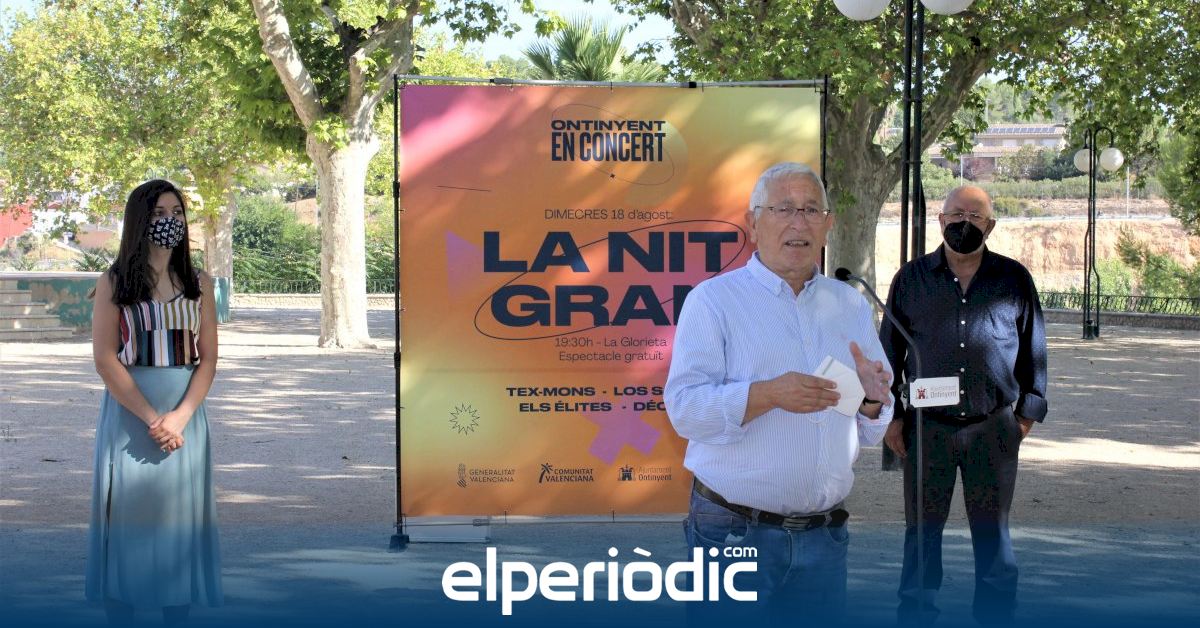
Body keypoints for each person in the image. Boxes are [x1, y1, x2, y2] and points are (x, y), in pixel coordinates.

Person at [664, 162, 895, 621]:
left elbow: (869, 429)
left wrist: (872, 400)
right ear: (753, 224)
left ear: (828, 225)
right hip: (734, 532)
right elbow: (685, 410)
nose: (798, 222)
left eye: (811, 210)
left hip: (824, 536)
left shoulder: (849, 304)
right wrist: (768, 394)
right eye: (783, 208)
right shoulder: (713, 301)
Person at [879, 185, 1047, 624]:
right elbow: (888, 352)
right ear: (941, 220)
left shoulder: (1013, 279)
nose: (964, 222)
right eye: (956, 214)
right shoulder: (911, 280)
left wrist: (1025, 416)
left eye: (975, 216)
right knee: (921, 534)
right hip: (926, 429)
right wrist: (893, 417)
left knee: (993, 536)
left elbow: (1034, 348)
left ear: (990, 225)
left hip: (993, 428)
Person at [85, 179, 223, 624]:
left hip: (185, 416)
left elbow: (208, 359)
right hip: (130, 417)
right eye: (160, 213)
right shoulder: (113, 283)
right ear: (140, 221)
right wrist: (153, 419)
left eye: (177, 213)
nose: (170, 221)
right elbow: (105, 359)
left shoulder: (200, 284)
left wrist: (180, 417)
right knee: (127, 523)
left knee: (177, 524)